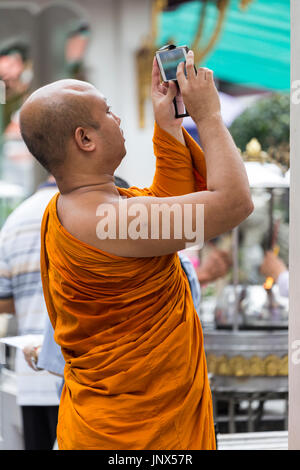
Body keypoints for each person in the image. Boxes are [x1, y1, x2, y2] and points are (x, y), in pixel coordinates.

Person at [19, 50, 253, 450]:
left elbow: (167, 206)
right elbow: (234, 203)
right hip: (134, 439)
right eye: (108, 111)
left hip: (112, 428)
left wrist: (170, 125)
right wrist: (209, 116)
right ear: (85, 139)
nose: (119, 118)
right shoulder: (108, 221)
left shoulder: (81, 213)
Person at [0, 176, 60, 450]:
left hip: (31, 374)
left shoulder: (15, 221)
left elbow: (3, 301)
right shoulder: (84, 210)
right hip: (78, 374)